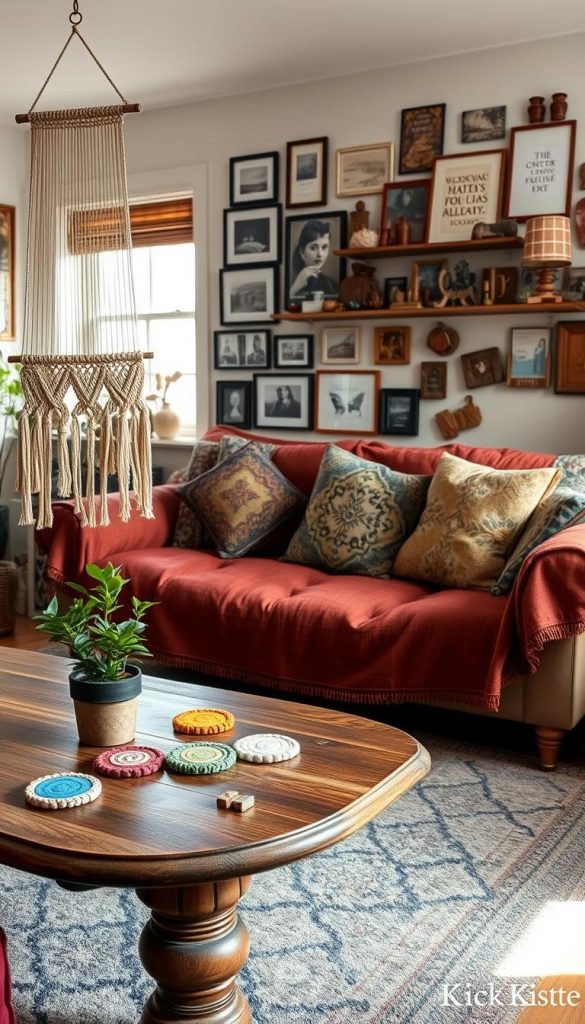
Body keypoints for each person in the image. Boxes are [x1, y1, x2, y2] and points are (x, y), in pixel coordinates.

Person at [289, 220, 336, 300]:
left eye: (324, 247)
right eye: (313, 248)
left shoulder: (332, 285)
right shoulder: (291, 282)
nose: (320, 254)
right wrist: (294, 288)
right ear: (302, 252)